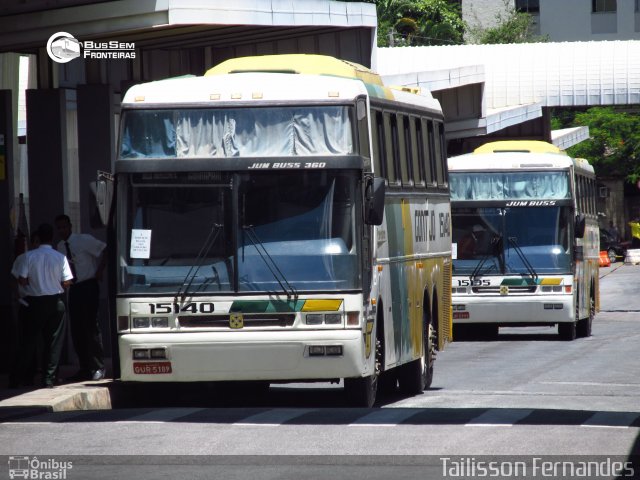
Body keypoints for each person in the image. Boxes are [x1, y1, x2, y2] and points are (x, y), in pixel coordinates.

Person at [12, 224, 74, 388]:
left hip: (34, 302)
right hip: (56, 302)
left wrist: (34, 282)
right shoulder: (60, 257)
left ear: (38, 237)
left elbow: (22, 279)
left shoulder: (28, 256)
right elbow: (67, 281)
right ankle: (48, 379)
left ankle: (17, 378)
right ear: (52, 237)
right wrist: (54, 282)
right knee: (53, 343)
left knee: (28, 342)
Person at [54, 214, 108, 382]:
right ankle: (84, 367)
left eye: (64, 227)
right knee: (77, 329)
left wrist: (100, 271)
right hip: (74, 289)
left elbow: (105, 250)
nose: (62, 230)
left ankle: (98, 366)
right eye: (59, 228)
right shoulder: (60, 246)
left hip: (88, 285)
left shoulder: (84, 240)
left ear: (70, 226)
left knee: (91, 326)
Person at [8, 231, 40, 388]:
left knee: (39, 342)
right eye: (35, 242)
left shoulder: (48, 257)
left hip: (41, 301)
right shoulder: (24, 258)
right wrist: (17, 296)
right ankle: (21, 375)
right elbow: (16, 278)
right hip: (27, 302)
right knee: (28, 342)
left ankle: (32, 375)